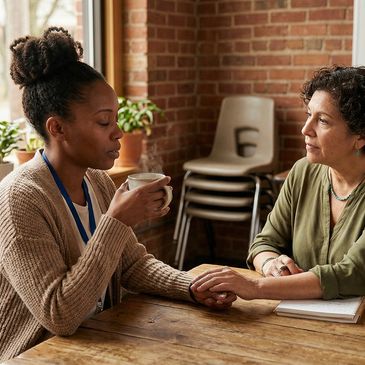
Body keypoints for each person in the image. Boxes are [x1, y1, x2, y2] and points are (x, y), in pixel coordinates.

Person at [0, 27, 236, 361]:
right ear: (57, 128)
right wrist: (117, 220)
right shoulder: (19, 200)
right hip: (38, 355)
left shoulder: (95, 181)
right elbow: (59, 314)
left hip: (99, 345)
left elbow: (130, 265)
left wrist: (190, 287)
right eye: (103, 122)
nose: (118, 132)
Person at [191, 65, 365, 302]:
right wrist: (271, 264)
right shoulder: (303, 171)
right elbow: (264, 242)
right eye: (308, 115)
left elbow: (352, 274)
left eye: (322, 121)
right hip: (296, 319)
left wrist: (256, 287)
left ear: (360, 137)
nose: (306, 129)